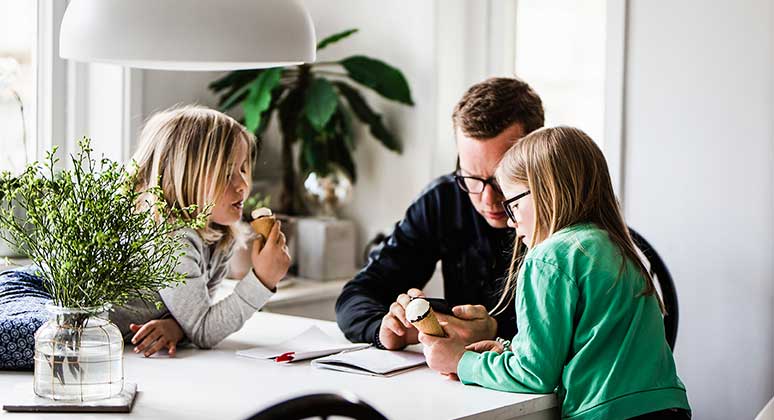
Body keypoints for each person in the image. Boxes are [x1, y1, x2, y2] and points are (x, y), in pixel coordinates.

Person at [419, 126, 691, 420]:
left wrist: (461, 361)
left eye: (513, 205)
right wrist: (509, 349)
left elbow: (534, 376)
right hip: (668, 406)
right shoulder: (614, 245)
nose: (511, 222)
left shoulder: (549, 258)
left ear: (544, 193)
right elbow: (584, 344)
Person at [0, 106, 291, 367]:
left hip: (76, 313)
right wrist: (262, 280)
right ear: (182, 175)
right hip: (40, 293)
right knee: (50, 344)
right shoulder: (171, 236)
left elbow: (196, 318)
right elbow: (204, 330)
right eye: (227, 173)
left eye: (243, 169)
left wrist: (178, 328)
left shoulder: (219, 237)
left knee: (73, 346)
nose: (242, 184)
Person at [335, 77, 545, 350]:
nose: (487, 199)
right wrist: (384, 329)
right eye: (471, 177)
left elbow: (591, 329)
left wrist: (496, 329)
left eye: (500, 180)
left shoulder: (575, 214)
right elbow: (356, 295)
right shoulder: (444, 200)